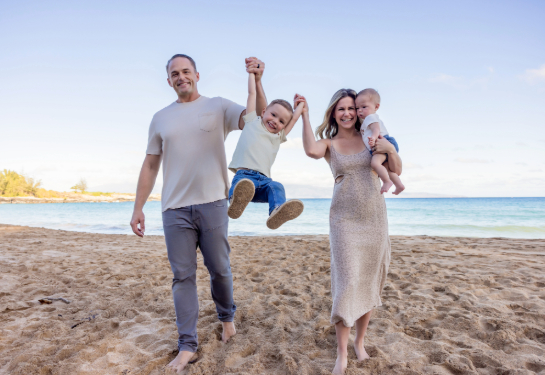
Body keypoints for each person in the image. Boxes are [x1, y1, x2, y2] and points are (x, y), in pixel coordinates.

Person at [129, 54, 267, 374]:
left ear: (197, 75)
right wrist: (138, 207)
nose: (181, 77)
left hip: (214, 203)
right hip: (174, 209)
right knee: (183, 277)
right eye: (174, 73)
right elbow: (151, 164)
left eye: (186, 71)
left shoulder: (218, 106)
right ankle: (187, 344)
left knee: (220, 269)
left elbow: (257, 117)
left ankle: (226, 318)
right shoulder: (160, 118)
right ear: (169, 80)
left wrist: (257, 80)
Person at [298, 89, 402, 375]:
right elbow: (309, 150)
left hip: (374, 218)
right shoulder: (329, 143)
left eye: (351, 108)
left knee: (368, 281)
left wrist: (389, 148)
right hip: (343, 220)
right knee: (347, 283)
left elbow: (397, 168)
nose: (347, 113)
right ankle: (341, 353)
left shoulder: (371, 136)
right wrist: (305, 115)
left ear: (359, 111)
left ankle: (359, 342)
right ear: (333, 113)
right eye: (340, 109)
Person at [227, 70, 304, 229]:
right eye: (273, 115)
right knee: (242, 185)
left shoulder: (278, 136)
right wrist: (250, 74)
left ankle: (276, 211)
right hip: (245, 176)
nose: (276, 121)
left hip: (263, 182)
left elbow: (295, 118)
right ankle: (236, 201)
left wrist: (301, 105)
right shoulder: (251, 121)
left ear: (283, 126)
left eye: (281, 121)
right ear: (263, 112)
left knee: (277, 187)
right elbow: (251, 93)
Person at [355, 88, 404, 194]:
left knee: (375, 163)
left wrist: (373, 138)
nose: (359, 110)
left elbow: (376, 129)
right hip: (381, 144)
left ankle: (386, 182)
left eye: (364, 107)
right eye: (357, 108)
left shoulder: (370, 117)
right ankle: (399, 185)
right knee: (386, 168)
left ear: (376, 107)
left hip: (382, 143)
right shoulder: (367, 120)